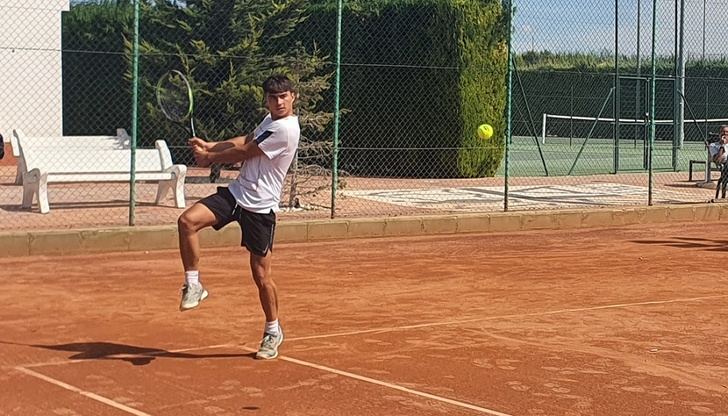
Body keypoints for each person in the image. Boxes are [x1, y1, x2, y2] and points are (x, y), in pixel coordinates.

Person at [177, 74, 300, 360]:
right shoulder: (270, 122)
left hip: (260, 208)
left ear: (294, 96)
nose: (278, 101)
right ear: (267, 99)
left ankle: (272, 330)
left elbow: (246, 151)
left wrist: (209, 158)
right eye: (273, 97)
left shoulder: (287, 129)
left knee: (261, 275)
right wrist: (210, 145)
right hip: (236, 194)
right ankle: (193, 284)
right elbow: (245, 138)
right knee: (187, 222)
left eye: (283, 96)